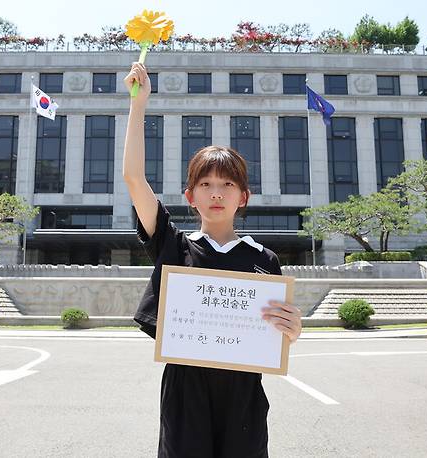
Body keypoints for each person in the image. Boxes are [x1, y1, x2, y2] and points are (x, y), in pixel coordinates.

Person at [122, 62, 302, 458]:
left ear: (244, 197)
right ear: (190, 196)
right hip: (186, 394)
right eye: (205, 184)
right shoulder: (174, 246)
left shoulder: (264, 260)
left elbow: (275, 334)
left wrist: (291, 329)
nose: (216, 193)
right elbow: (134, 179)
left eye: (227, 184)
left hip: (244, 398)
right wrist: (139, 104)